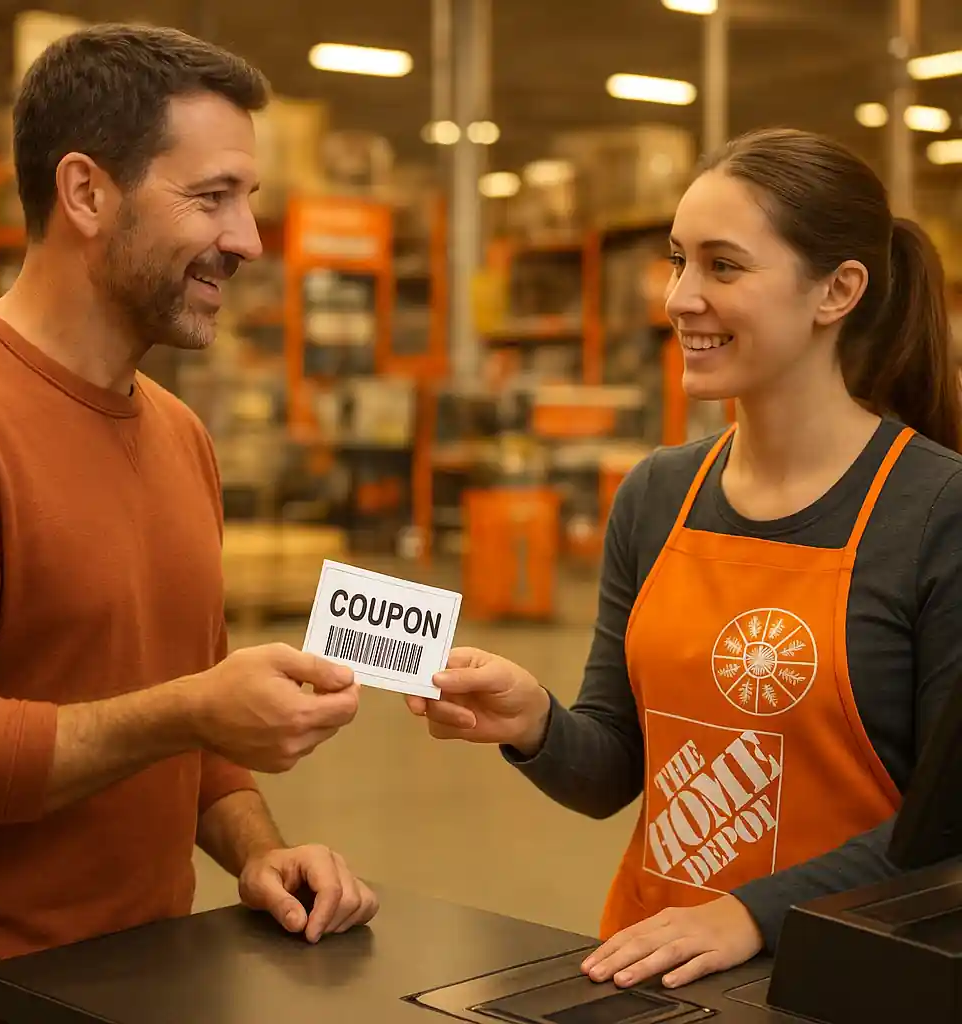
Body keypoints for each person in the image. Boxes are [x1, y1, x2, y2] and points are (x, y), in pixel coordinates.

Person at [408, 128, 962, 991]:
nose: (678, 297)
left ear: (837, 290)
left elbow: (944, 834)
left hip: (843, 983)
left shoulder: (936, 511)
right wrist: (534, 724)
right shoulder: (658, 494)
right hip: (654, 972)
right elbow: (614, 770)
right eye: (677, 260)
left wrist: (751, 913)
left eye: (723, 267)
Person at [0, 24, 377, 1022]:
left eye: (248, 200)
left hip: (155, 982)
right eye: (210, 196)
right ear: (87, 192)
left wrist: (260, 851)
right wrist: (190, 710)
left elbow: (190, 727)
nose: (247, 240)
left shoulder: (181, 436)